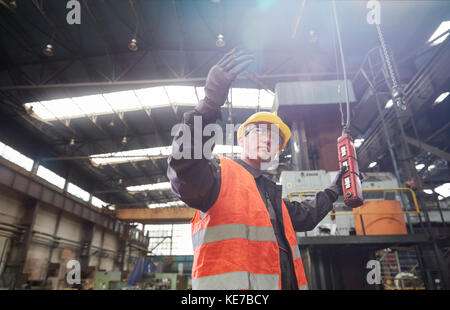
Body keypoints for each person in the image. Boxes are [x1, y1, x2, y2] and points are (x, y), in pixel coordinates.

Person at [167, 48, 346, 290]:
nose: (269, 139)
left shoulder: (272, 194)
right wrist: (208, 107)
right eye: (261, 131)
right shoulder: (217, 176)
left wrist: (334, 191)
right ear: (241, 140)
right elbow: (183, 170)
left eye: (275, 138)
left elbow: (306, 216)